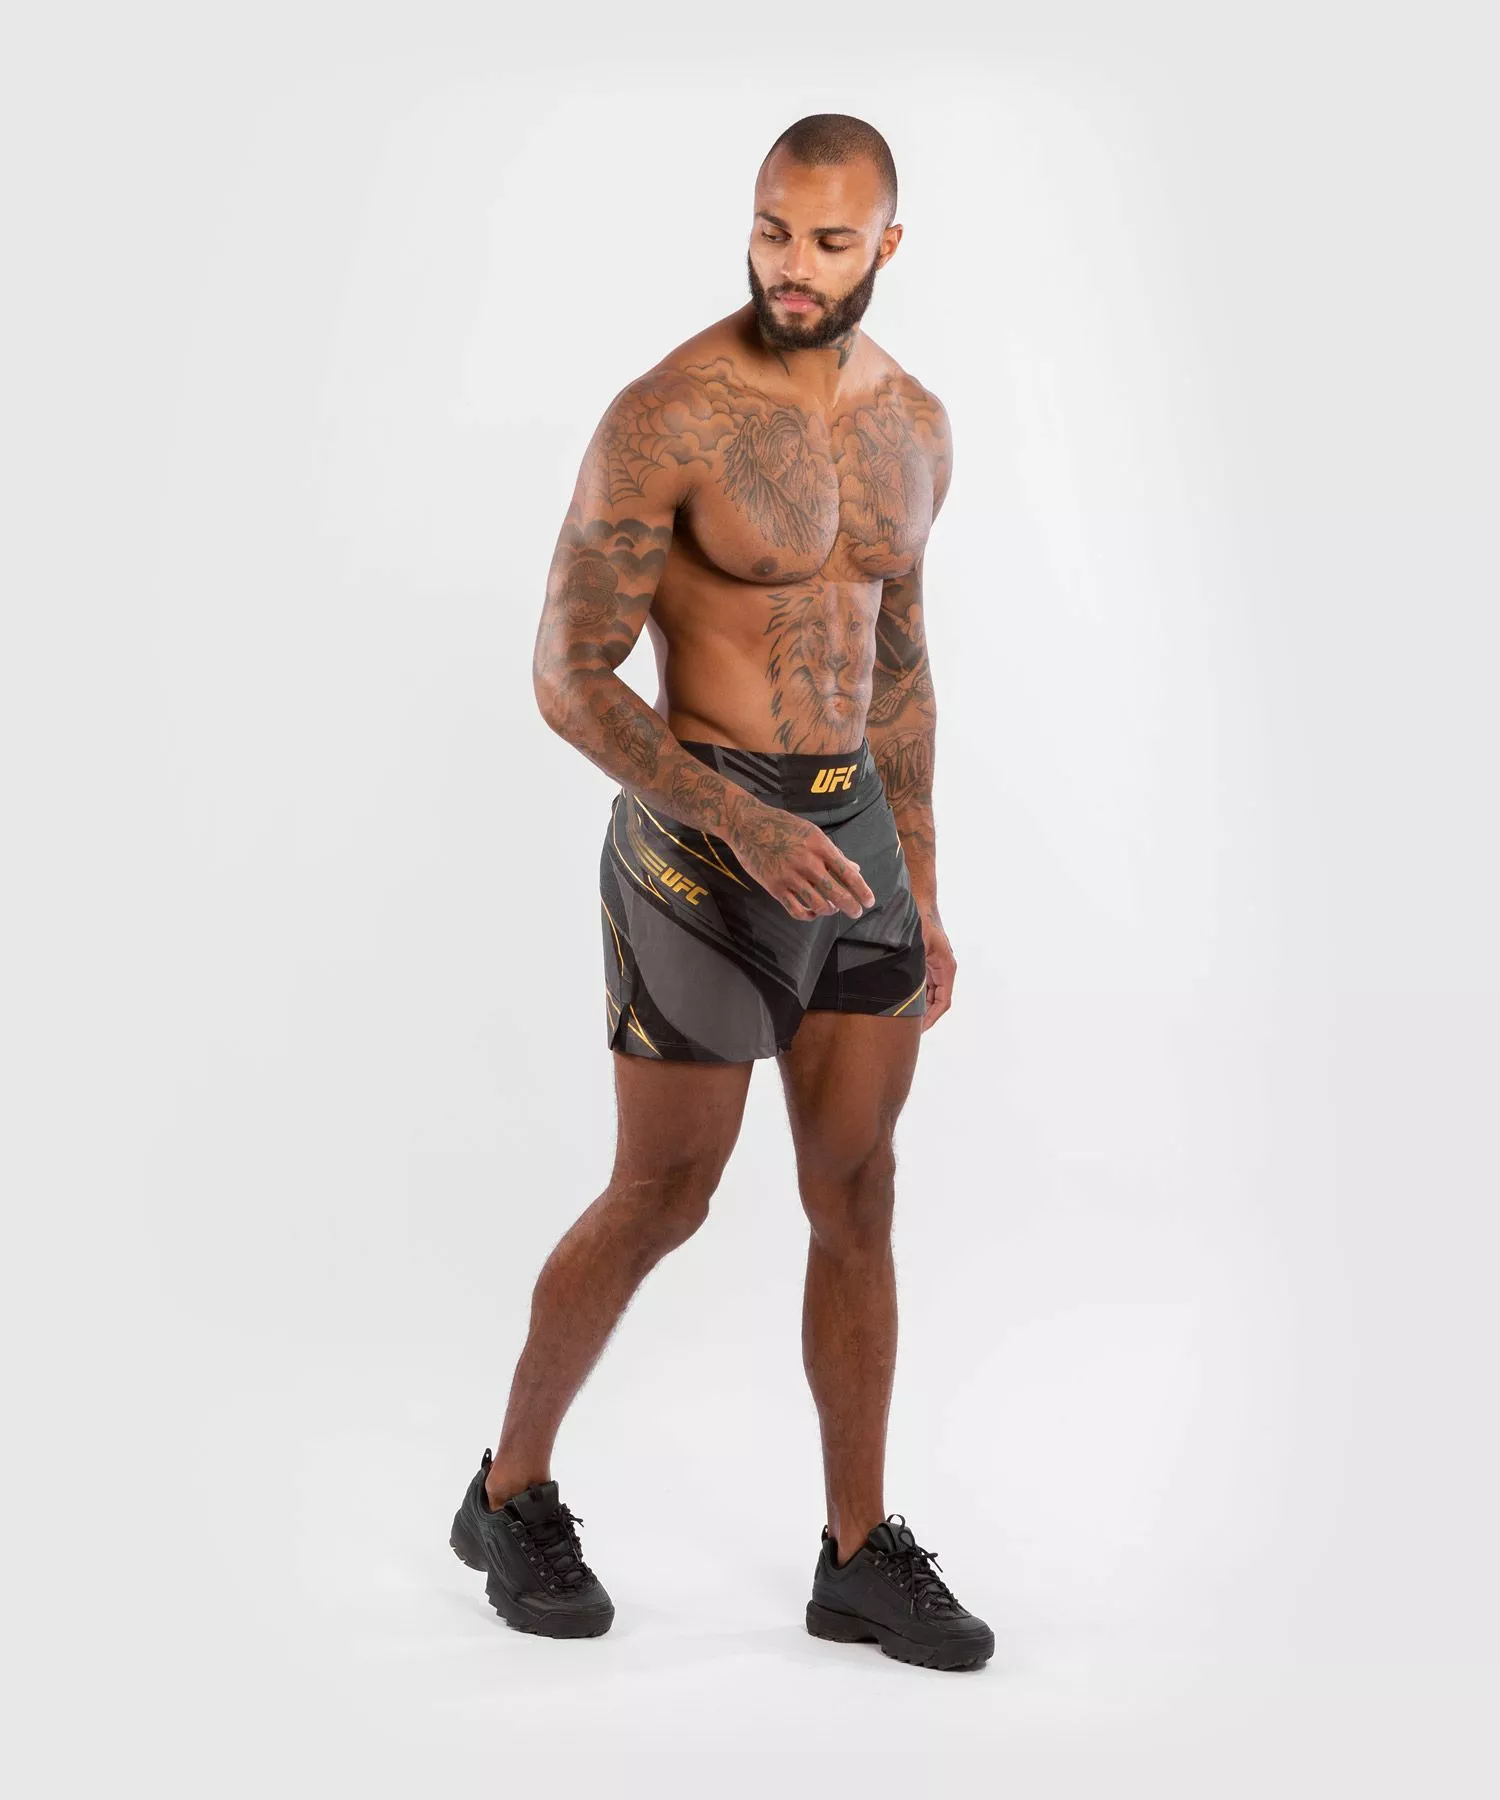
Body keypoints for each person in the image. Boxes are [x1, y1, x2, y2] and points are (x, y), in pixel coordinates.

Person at [448, 113, 993, 1672]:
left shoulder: (917, 425)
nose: (792, 267)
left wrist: (923, 884)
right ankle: (508, 1491)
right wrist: (737, 824)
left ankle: (857, 1554)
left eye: (829, 240)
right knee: (665, 1195)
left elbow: (900, 666)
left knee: (859, 1193)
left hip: (855, 848)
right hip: (701, 846)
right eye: (771, 230)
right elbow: (568, 674)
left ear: (888, 244)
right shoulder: (668, 415)